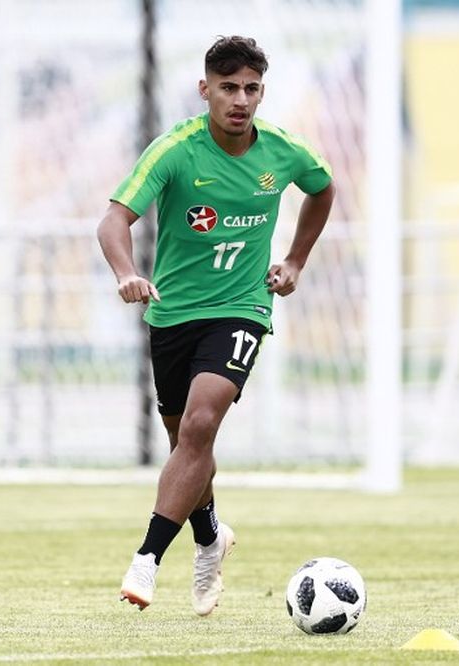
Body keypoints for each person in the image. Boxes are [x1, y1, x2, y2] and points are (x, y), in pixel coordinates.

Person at [97, 35, 335, 615]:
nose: (240, 100)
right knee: (185, 443)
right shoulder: (175, 150)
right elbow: (113, 221)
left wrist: (296, 259)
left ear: (261, 93)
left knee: (201, 423)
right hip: (173, 313)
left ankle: (146, 560)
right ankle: (209, 538)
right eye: (228, 88)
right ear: (205, 90)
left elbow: (323, 189)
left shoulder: (282, 151)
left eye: (251, 89)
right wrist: (127, 272)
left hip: (242, 309)